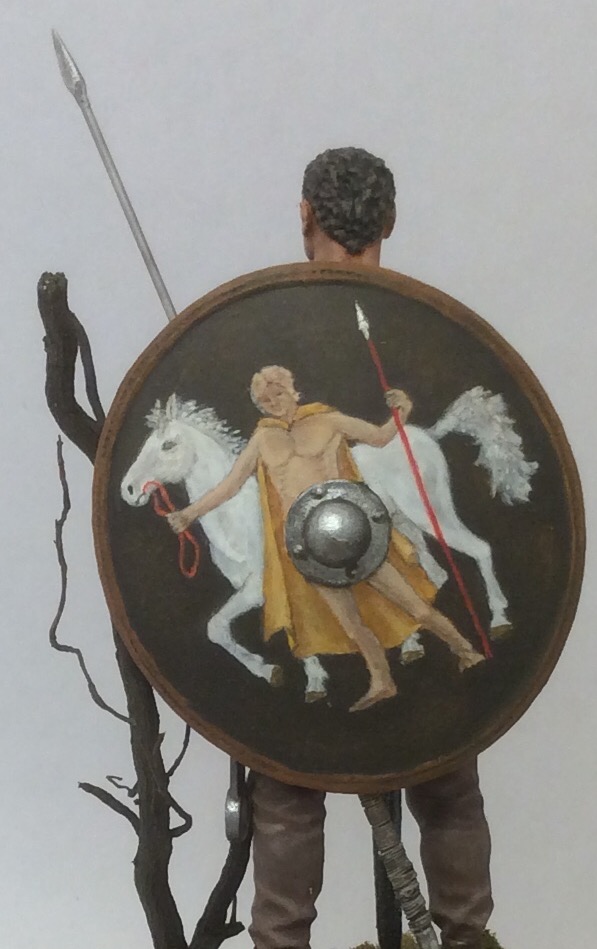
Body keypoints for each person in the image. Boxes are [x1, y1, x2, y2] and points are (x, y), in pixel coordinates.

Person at [185, 148, 493, 949]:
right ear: (389, 220)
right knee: (448, 786)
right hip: (313, 567)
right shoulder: (411, 330)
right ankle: (466, 938)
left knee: (290, 797)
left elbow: (376, 437)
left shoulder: (278, 333)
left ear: (303, 216)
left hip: (369, 547)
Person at [168, 363, 484, 711]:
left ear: (293, 391)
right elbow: (230, 486)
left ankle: (465, 650)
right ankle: (382, 681)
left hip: (352, 530)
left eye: (278, 393)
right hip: (310, 545)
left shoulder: (327, 420)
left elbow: (379, 438)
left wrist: (402, 412)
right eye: (266, 400)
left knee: (415, 607)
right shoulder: (263, 439)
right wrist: (190, 513)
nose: (274, 402)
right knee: (352, 625)